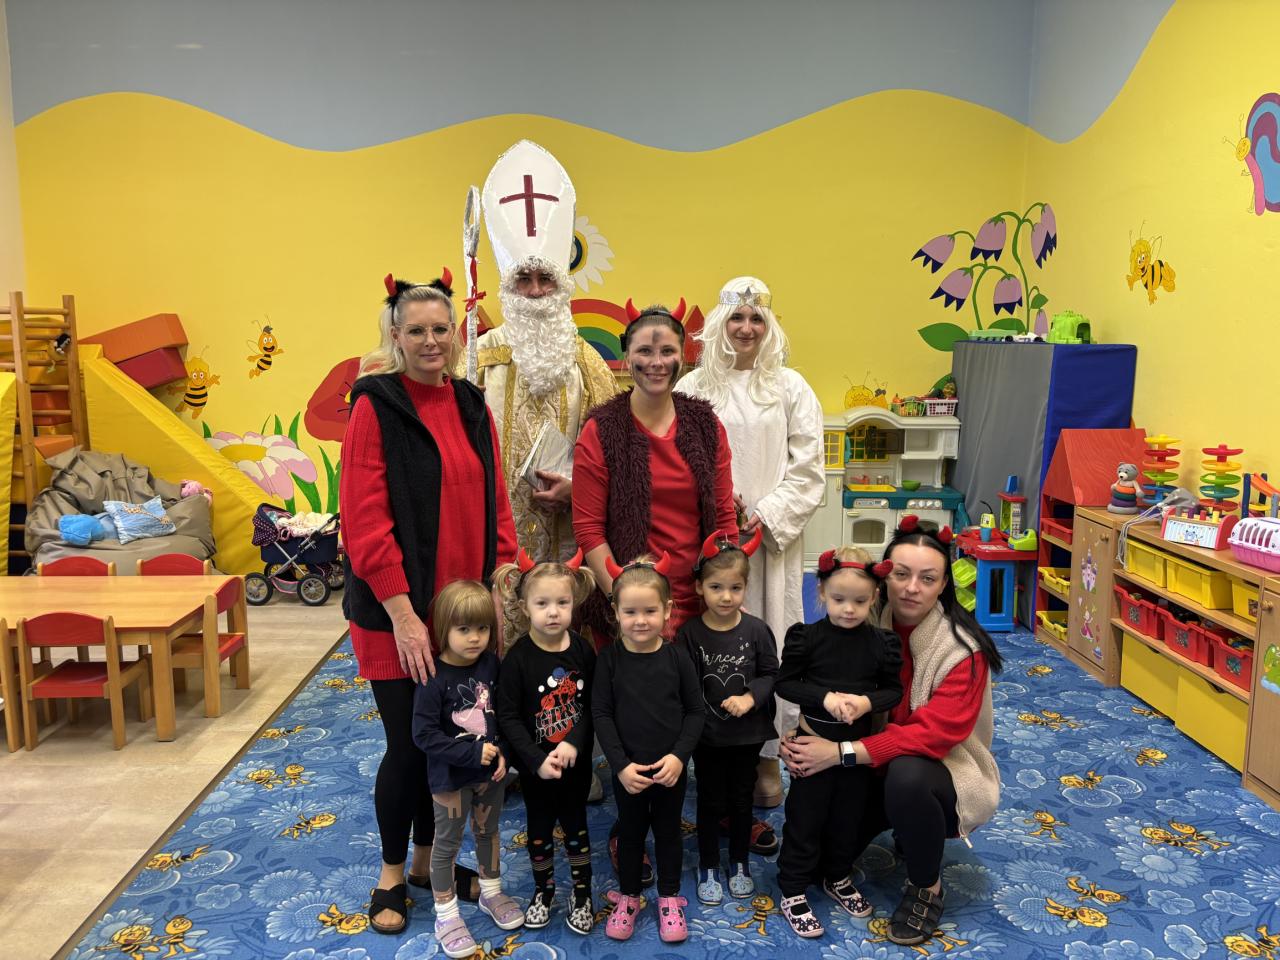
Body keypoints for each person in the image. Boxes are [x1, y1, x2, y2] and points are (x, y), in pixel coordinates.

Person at [340, 272, 517, 936]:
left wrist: (502, 581)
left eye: (440, 328)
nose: (430, 340)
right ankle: (390, 874)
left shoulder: (471, 403)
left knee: (449, 746)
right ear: (395, 336)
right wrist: (404, 616)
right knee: (408, 747)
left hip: (461, 614)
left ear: (455, 334)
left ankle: (424, 865)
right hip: (398, 615)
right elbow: (364, 521)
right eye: (415, 330)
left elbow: (496, 501)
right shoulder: (375, 405)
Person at [779, 516, 1003, 946]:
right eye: (901, 574)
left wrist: (837, 752)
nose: (911, 588)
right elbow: (815, 683)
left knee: (907, 776)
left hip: (938, 770)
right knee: (821, 856)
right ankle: (904, 828)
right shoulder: (863, 623)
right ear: (883, 579)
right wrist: (802, 735)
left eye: (927, 578)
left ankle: (927, 887)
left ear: (943, 585)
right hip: (866, 764)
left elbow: (930, 736)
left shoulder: (962, 650)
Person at [675, 275, 824, 808]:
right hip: (710, 540)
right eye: (736, 318)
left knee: (769, 643)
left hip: (770, 543)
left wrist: (760, 514)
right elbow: (677, 461)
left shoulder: (791, 387)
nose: (746, 328)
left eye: (756, 318)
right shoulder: (693, 388)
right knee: (711, 644)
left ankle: (765, 758)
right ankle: (708, 749)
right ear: (720, 323)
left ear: (769, 325)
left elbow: (809, 470)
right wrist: (717, 508)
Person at [474, 140, 618, 583]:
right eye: (524, 278)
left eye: (545, 279)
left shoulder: (588, 363)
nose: (535, 291)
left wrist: (579, 490)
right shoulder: (476, 358)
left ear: (561, 285)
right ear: (508, 284)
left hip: (568, 544)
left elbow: (615, 455)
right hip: (493, 538)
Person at [573, 302, 738, 635]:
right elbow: (589, 531)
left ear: (682, 355)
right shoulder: (601, 430)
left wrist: (726, 588)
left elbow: (723, 517)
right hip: (631, 610)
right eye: (645, 351)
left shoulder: (706, 426)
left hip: (698, 605)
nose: (657, 362)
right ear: (628, 356)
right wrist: (624, 604)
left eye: (667, 351)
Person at [773, 547, 903, 938]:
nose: (849, 609)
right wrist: (824, 697)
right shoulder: (807, 638)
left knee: (848, 818)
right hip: (812, 745)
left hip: (854, 754)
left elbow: (893, 690)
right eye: (839, 599)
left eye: (860, 601)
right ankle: (792, 888)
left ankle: (837, 874)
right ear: (821, 593)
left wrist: (866, 702)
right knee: (804, 819)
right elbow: (785, 683)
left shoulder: (881, 643)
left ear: (875, 597)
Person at [592, 555, 704, 943]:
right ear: (615, 612)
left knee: (670, 831)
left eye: (650, 611)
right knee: (631, 833)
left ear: (668, 610)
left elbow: (695, 712)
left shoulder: (678, 657)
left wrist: (679, 757)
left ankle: (670, 898)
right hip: (629, 772)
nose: (640, 620)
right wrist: (620, 766)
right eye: (630, 612)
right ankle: (629, 897)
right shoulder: (608, 660)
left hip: (670, 768)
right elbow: (601, 715)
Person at [412, 581, 523, 957]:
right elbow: (424, 735)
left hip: (489, 777)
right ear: (444, 629)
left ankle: (491, 892)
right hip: (450, 779)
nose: (475, 637)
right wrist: (471, 755)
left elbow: (503, 715)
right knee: (447, 844)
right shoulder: (433, 677)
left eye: (483, 628)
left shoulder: (491, 665)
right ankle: (446, 915)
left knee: (489, 833)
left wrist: (504, 753)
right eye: (464, 629)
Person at [493, 549, 598, 934]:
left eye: (562, 603)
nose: (553, 612)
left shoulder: (583, 651)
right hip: (535, 768)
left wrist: (574, 743)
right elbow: (508, 717)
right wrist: (534, 759)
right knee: (538, 831)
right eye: (542, 604)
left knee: (577, 829)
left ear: (574, 603)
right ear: (524, 607)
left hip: (574, 765)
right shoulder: (517, 659)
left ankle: (582, 894)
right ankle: (544, 891)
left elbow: (595, 705)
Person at [675, 529, 777, 906]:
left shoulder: (757, 630)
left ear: (746, 587)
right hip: (707, 737)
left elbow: (771, 672)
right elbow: (685, 686)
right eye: (716, 587)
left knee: (741, 800)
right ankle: (708, 865)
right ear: (699, 587)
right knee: (709, 799)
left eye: (735, 588)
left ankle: (739, 862)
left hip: (747, 735)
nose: (726, 596)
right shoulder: (689, 634)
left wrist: (750, 697)